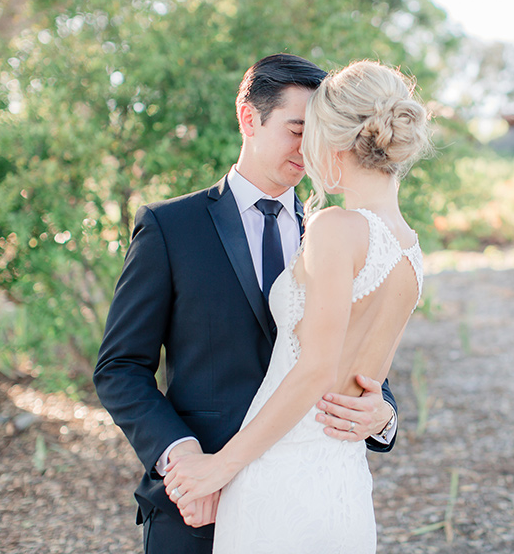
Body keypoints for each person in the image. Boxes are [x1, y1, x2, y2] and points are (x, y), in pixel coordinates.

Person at [93, 54, 401, 554]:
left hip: (302, 503)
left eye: (322, 133)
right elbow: (120, 367)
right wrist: (185, 461)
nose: (311, 149)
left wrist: (381, 415)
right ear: (248, 118)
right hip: (197, 504)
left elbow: (357, 354)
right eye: (297, 129)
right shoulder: (171, 228)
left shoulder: (343, 231)